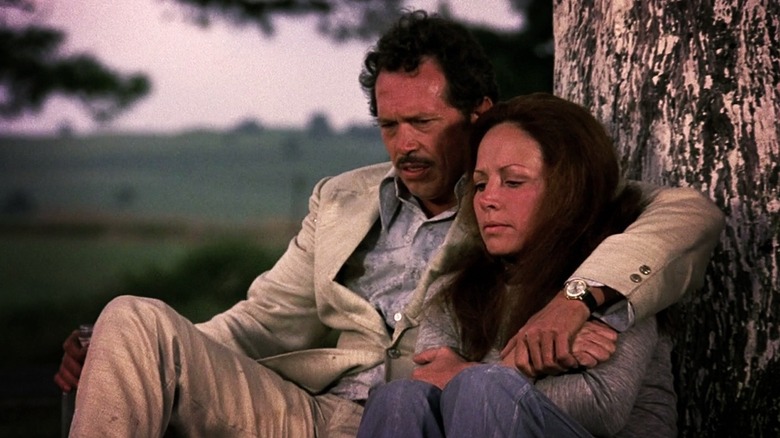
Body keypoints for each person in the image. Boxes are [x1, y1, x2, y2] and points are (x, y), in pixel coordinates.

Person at [54, 10, 724, 437]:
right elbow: (260, 323)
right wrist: (123, 357)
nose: (404, 144)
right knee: (129, 320)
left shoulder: (527, 195)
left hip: (429, 415)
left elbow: (687, 214)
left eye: (423, 122)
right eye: (388, 125)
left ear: (479, 114)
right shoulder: (339, 198)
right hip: (311, 412)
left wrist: (577, 300)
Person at [356, 93, 688, 438]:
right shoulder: (452, 291)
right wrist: (521, 363)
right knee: (397, 399)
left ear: (569, 190)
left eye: (513, 182)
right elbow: (430, 379)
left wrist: (479, 375)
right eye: (480, 184)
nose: (487, 199)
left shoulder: (609, 285)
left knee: (482, 389)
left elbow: (601, 404)